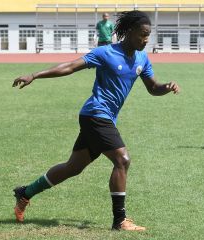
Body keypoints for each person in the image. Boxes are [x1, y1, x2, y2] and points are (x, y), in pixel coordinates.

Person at [12, 10, 180, 231]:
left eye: (148, 35)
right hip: (95, 115)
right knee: (122, 159)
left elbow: (152, 88)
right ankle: (120, 220)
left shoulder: (142, 58)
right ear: (130, 32)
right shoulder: (106, 53)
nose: (146, 40)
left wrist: (166, 87)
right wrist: (34, 75)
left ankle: (25, 193)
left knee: (73, 167)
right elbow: (70, 66)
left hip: (105, 118)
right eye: (143, 35)